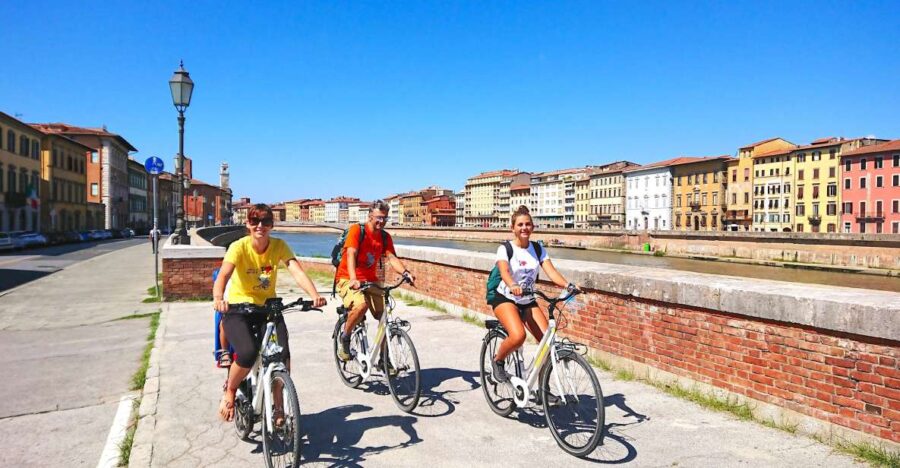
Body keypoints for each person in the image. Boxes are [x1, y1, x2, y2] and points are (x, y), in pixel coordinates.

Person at [213, 203, 326, 422]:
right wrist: (219, 299)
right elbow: (224, 276)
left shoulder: (279, 246)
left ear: (272, 225)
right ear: (248, 224)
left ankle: (279, 408)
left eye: (265, 221)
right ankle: (230, 390)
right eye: (255, 221)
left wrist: (314, 295)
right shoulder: (239, 247)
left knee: (281, 355)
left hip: (268, 308)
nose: (260, 226)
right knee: (247, 353)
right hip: (238, 309)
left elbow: (297, 271)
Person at [490, 205, 577, 383]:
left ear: (533, 227)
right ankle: (498, 361)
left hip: (528, 299)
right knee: (518, 336)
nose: (524, 228)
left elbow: (551, 273)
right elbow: (505, 272)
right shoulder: (505, 249)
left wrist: (568, 285)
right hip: (505, 297)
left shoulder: (537, 249)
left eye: (528, 224)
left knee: (547, 344)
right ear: (513, 228)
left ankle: (542, 390)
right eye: (520, 224)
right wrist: (513, 285)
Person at [335, 200, 415, 361]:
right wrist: (353, 279)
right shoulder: (357, 230)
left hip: (371, 281)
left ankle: (384, 359)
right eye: (379, 217)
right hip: (347, 278)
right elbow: (351, 254)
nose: (382, 221)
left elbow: (392, 258)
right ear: (370, 215)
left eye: (384, 218)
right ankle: (345, 337)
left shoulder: (384, 237)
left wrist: (405, 272)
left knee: (384, 317)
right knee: (361, 305)